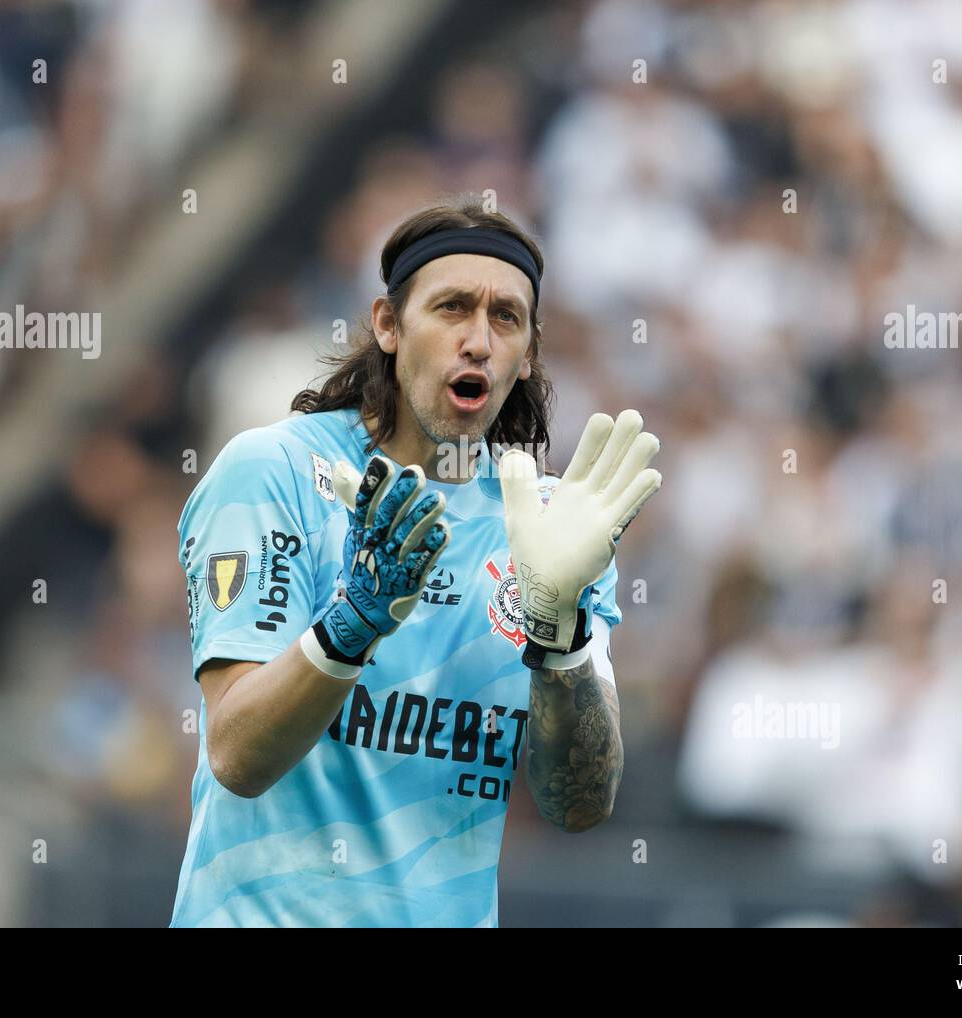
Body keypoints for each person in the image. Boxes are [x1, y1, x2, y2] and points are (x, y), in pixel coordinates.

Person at [170, 195, 662, 927]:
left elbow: (579, 804)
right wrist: (355, 622)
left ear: (527, 355)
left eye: (505, 318)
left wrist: (560, 637)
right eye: (452, 308)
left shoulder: (555, 528)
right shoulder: (275, 472)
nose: (478, 340)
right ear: (389, 326)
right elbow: (237, 756)